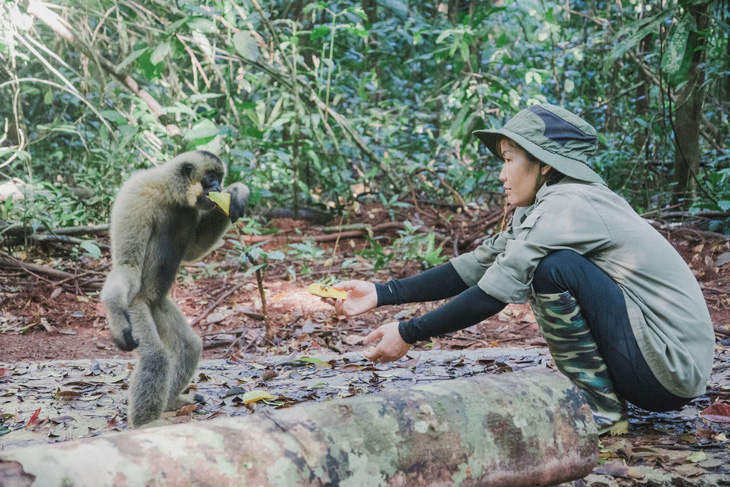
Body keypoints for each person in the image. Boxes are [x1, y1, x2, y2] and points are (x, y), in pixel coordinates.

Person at [332, 104, 715, 435]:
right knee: (549, 266)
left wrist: (409, 332)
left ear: (545, 163)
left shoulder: (569, 204)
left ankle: (600, 410)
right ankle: (601, 403)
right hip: (657, 366)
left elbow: (494, 293)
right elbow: (477, 266)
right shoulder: (545, 206)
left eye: (509, 159)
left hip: (667, 372)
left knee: (553, 269)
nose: (502, 174)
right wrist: (383, 293)